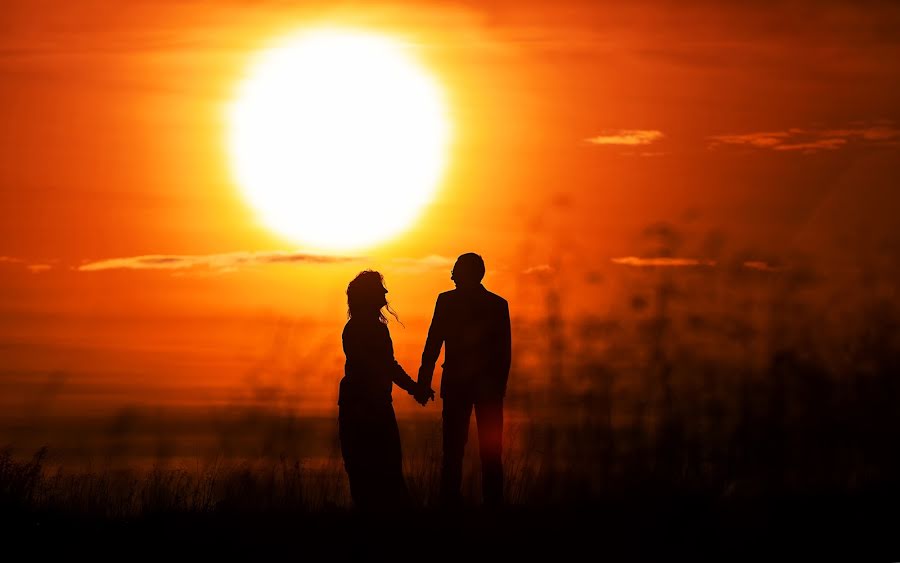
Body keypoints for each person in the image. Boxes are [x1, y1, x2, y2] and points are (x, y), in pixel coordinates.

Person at [415, 253, 512, 507]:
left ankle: (453, 503)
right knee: (479, 452)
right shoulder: (496, 305)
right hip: (484, 389)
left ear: (468, 273)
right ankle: (489, 503)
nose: (451, 275)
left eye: (455, 270)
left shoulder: (448, 302)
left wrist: (424, 382)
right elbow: (504, 353)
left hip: (468, 387)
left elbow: (433, 343)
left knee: (457, 450)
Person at [339, 270, 434, 511]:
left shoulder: (356, 327)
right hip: (369, 407)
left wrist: (413, 388)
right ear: (370, 295)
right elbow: (385, 366)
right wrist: (415, 388)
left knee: (366, 471)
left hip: (361, 404)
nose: (386, 292)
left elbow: (384, 366)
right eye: (381, 288)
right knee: (381, 469)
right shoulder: (369, 329)